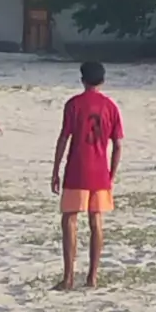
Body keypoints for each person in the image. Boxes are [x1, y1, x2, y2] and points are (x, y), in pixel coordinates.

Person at [51, 61, 124, 290]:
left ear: (82, 80)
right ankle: (93, 276)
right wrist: (111, 174)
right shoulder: (111, 107)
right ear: (103, 80)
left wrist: (55, 170)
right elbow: (118, 145)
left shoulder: (73, 104)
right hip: (100, 171)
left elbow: (64, 138)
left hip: (77, 169)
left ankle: (68, 277)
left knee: (69, 219)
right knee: (96, 220)